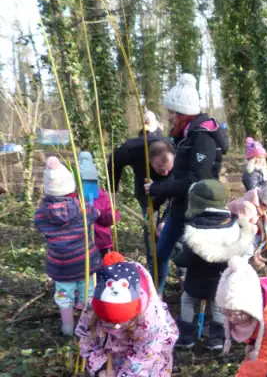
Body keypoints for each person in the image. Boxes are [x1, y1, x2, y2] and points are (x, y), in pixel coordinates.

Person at [75, 252, 178, 377]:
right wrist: (100, 367)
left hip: (152, 353)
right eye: (109, 323)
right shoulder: (94, 306)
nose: (115, 327)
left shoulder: (151, 317)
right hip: (112, 351)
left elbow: (143, 359)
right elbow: (85, 338)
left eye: (121, 323)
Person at [146, 74, 229, 293]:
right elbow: (179, 174)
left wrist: (160, 188)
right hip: (180, 206)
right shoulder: (186, 134)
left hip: (198, 210)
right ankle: (156, 297)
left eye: (173, 113)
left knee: (197, 258)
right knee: (160, 253)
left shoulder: (202, 138)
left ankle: (199, 301)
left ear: (183, 114)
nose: (170, 117)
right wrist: (159, 195)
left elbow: (196, 180)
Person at [172, 180, 255, 350]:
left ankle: (186, 336)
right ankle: (217, 339)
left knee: (187, 299)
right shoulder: (233, 226)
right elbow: (246, 251)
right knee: (218, 306)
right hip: (221, 280)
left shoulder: (194, 229)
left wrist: (177, 258)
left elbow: (184, 259)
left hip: (196, 280)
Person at [35, 157, 112, 335]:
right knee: (88, 293)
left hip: (60, 265)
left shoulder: (41, 214)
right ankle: (89, 326)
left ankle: (68, 328)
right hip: (84, 261)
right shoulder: (83, 208)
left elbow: (39, 224)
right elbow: (96, 213)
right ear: (71, 188)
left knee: (64, 295)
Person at [108, 134, 174, 266]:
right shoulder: (132, 150)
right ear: (149, 160)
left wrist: (165, 219)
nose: (165, 172)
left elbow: (178, 194)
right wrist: (113, 190)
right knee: (151, 226)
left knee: (170, 225)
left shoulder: (177, 152)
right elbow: (114, 161)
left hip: (172, 187)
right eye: (161, 169)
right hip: (146, 188)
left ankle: (180, 269)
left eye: (168, 168)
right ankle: (153, 265)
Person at [228, 178, 267, 270]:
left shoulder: (258, 203)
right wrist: (257, 228)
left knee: (265, 235)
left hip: (245, 227)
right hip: (233, 229)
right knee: (250, 245)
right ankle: (240, 265)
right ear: (264, 203)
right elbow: (242, 227)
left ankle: (255, 255)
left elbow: (261, 220)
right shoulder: (247, 207)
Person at [79, 151, 120, 257]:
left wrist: (98, 213)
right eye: (85, 182)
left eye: (91, 182)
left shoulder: (102, 196)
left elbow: (113, 216)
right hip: (81, 245)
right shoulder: (75, 199)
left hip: (102, 243)